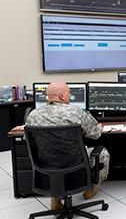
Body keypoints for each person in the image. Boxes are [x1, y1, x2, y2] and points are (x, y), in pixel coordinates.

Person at [25, 82, 110, 210]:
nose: (70, 95)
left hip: (45, 165)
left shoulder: (33, 115)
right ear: (62, 96)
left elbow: (28, 139)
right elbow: (95, 135)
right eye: (69, 93)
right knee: (103, 153)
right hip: (75, 164)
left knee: (55, 157)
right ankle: (91, 189)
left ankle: (56, 198)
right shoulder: (76, 112)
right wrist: (98, 127)